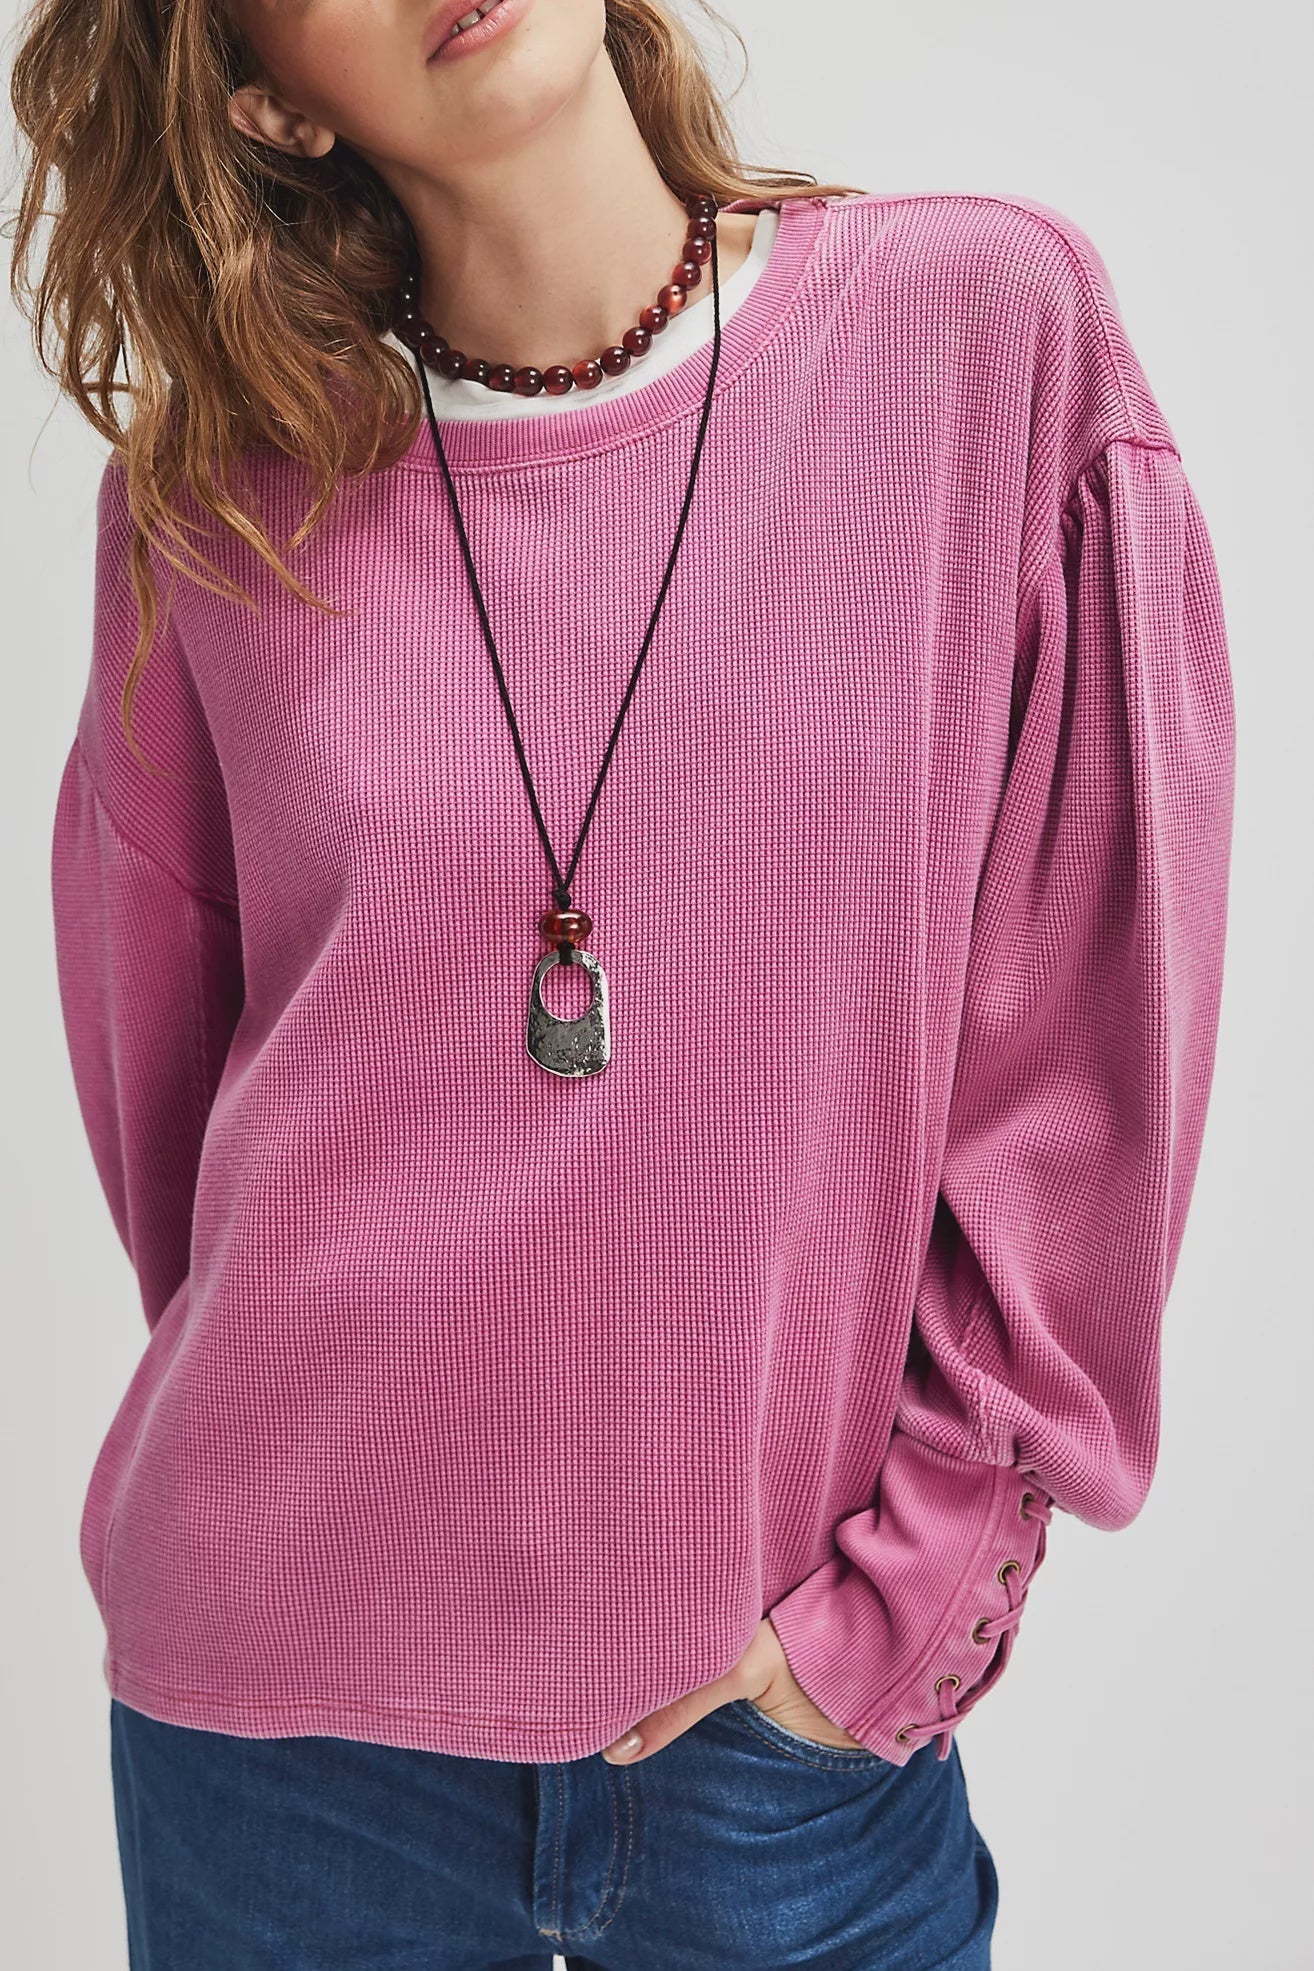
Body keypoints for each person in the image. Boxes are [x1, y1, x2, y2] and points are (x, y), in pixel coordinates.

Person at [11, 0, 1235, 1963]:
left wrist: (902, 1601)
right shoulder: (212, 512)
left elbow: (1087, 1058)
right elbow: (170, 1110)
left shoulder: (979, 337)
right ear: (263, 98)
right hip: (283, 1742)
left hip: (778, 1742)